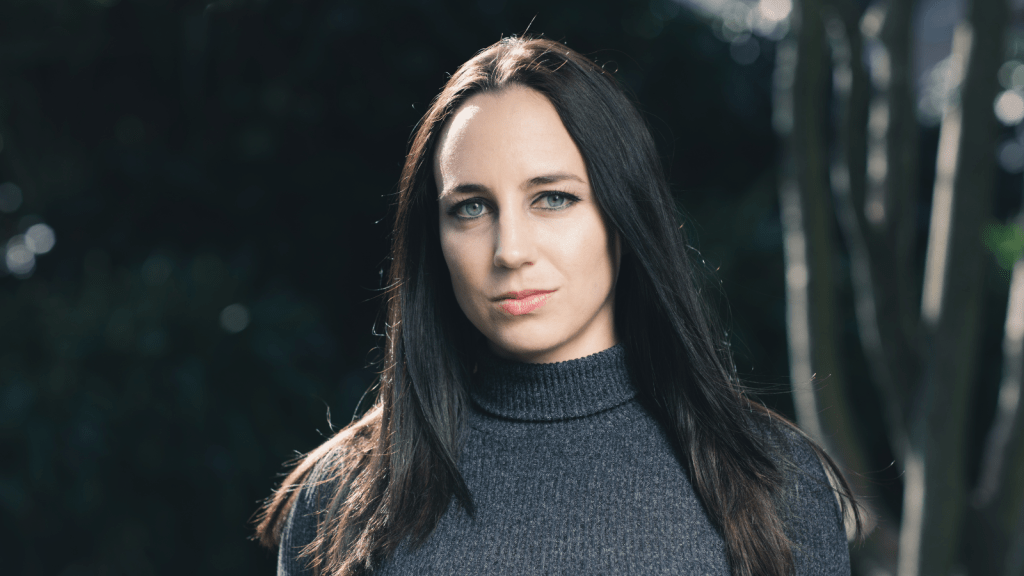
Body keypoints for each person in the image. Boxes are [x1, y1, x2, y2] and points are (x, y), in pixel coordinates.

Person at [253, 36, 861, 576]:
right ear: (433, 241)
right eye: (471, 207)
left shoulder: (774, 482)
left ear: (623, 216)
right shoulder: (342, 497)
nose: (510, 250)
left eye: (552, 198)